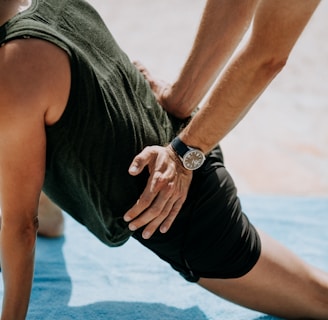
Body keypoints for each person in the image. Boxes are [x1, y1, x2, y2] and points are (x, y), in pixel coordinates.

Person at [0, 1, 327, 320]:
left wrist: (184, 154)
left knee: (319, 300)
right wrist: (180, 101)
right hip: (173, 129)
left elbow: (266, 56)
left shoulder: (16, 69)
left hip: (177, 202)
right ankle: (48, 206)